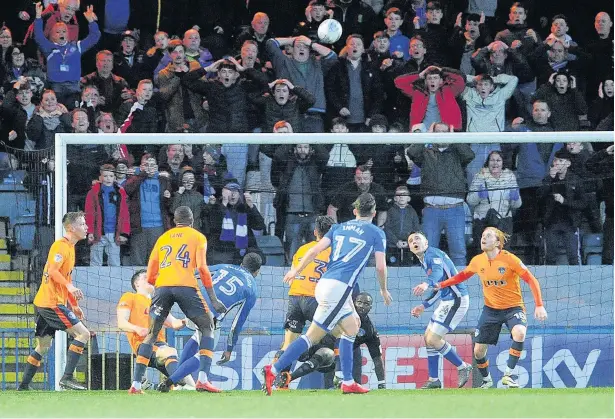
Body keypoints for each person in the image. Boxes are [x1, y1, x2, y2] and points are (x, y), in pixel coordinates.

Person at [262, 193, 393, 395]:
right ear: (374, 213)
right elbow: (381, 267)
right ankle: (274, 369)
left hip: (324, 284)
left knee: (352, 327)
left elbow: (314, 251)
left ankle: (348, 381)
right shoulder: (376, 233)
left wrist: (295, 271)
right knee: (312, 337)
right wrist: (383, 290)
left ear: (355, 211)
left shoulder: (338, 228)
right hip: (338, 289)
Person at [426, 227, 548, 388]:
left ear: (498, 242)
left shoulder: (510, 260)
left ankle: (508, 375)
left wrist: (539, 305)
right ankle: (486, 380)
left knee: (520, 332)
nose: (483, 238)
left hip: (513, 308)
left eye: (488, 236)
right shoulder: (478, 260)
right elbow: (462, 276)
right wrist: (442, 284)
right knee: (478, 351)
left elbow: (532, 280)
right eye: (482, 235)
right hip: (491, 310)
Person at [128, 206, 227, 394]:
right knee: (207, 327)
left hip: (162, 287)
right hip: (186, 286)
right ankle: (203, 380)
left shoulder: (163, 238)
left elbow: (150, 276)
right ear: (192, 220)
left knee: (151, 335)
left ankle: (136, 385)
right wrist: (213, 299)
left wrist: (165, 282)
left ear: (174, 221)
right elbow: (204, 269)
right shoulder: (198, 237)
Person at [156, 252, 263, 392]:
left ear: (242, 264)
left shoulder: (225, 267)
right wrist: (229, 349)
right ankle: (179, 380)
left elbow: (198, 272)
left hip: (191, 304)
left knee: (198, 337)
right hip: (209, 316)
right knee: (207, 350)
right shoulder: (252, 290)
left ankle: (177, 378)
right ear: (257, 272)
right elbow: (237, 323)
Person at [19, 212, 90, 391]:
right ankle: (67, 378)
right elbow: (52, 271)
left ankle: (23, 387)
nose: (86, 227)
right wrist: (70, 288)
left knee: (43, 345)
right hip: (51, 303)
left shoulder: (70, 248)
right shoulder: (60, 246)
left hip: (45, 302)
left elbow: (66, 279)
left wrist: (74, 305)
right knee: (83, 334)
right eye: (82, 224)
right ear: (71, 228)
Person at [408, 232, 473, 389]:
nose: (414, 241)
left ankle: (463, 366)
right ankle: (434, 379)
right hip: (446, 300)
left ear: (426, 242)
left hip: (457, 299)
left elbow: (437, 274)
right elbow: (439, 286)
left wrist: (426, 283)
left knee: (434, 339)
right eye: (410, 241)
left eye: (417, 238)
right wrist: (424, 306)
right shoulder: (424, 259)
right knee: (427, 337)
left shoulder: (433, 254)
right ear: (409, 248)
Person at [273, 216, 334, 379]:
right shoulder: (334, 252)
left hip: (294, 297)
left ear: (315, 232)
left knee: (288, 343)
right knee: (332, 337)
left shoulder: (302, 249)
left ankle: (279, 379)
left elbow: (295, 271)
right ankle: (336, 377)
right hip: (315, 299)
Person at [117, 270, 190, 388]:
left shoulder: (157, 303)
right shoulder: (130, 297)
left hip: (160, 346)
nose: (151, 279)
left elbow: (174, 323)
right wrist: (136, 328)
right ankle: (173, 382)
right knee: (171, 351)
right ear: (137, 284)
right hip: (143, 344)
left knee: (188, 379)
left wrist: (185, 321)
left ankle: (173, 384)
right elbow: (121, 323)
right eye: (146, 277)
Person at [85, 163, 130, 266]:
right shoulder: (93, 192)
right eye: (105, 176)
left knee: (114, 263)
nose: (108, 179)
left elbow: (125, 214)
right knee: (95, 263)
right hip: (98, 233)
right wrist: (90, 231)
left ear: (115, 177)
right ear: (100, 177)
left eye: (110, 176)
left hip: (115, 233)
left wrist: (124, 232)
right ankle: (94, 282)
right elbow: (89, 214)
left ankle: (115, 282)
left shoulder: (120, 192)